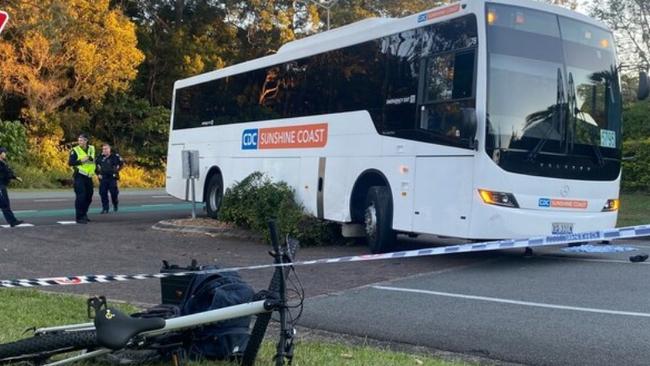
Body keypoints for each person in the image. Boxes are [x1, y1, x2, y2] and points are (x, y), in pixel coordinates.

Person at [68, 134, 96, 224]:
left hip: (89, 176)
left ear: (86, 141)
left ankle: (84, 213)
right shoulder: (75, 150)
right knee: (81, 196)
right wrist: (81, 161)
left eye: (82, 140)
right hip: (79, 176)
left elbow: (92, 158)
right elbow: (71, 163)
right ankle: (79, 217)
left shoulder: (92, 148)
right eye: (79, 140)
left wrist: (88, 160)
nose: (80, 142)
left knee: (89, 196)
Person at [96, 143, 124, 214]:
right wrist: (98, 174)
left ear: (109, 149)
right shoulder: (99, 157)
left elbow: (121, 164)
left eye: (106, 149)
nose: (104, 150)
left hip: (112, 177)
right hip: (103, 178)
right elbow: (94, 167)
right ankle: (105, 208)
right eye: (103, 149)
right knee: (102, 193)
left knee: (114, 193)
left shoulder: (115, 156)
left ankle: (115, 203)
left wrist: (117, 170)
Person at [0, 147, 24, 227]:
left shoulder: (3, 162)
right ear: (0, 153)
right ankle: (13, 221)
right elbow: (6, 173)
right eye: (4, 152)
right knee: (4, 204)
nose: (5, 154)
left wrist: (15, 177)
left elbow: (8, 173)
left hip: (2, 186)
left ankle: (13, 221)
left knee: (5, 204)